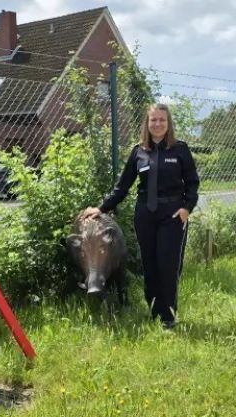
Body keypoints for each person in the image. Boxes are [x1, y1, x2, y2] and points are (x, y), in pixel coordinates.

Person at [82, 103, 199, 329]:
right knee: (150, 265)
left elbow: (193, 183)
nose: (157, 124)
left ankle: (169, 316)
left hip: (172, 215)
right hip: (145, 214)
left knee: (168, 265)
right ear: (147, 123)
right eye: (153, 120)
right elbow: (123, 186)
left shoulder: (180, 149)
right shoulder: (138, 152)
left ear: (168, 123)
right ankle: (154, 311)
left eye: (161, 120)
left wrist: (186, 208)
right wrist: (102, 208)